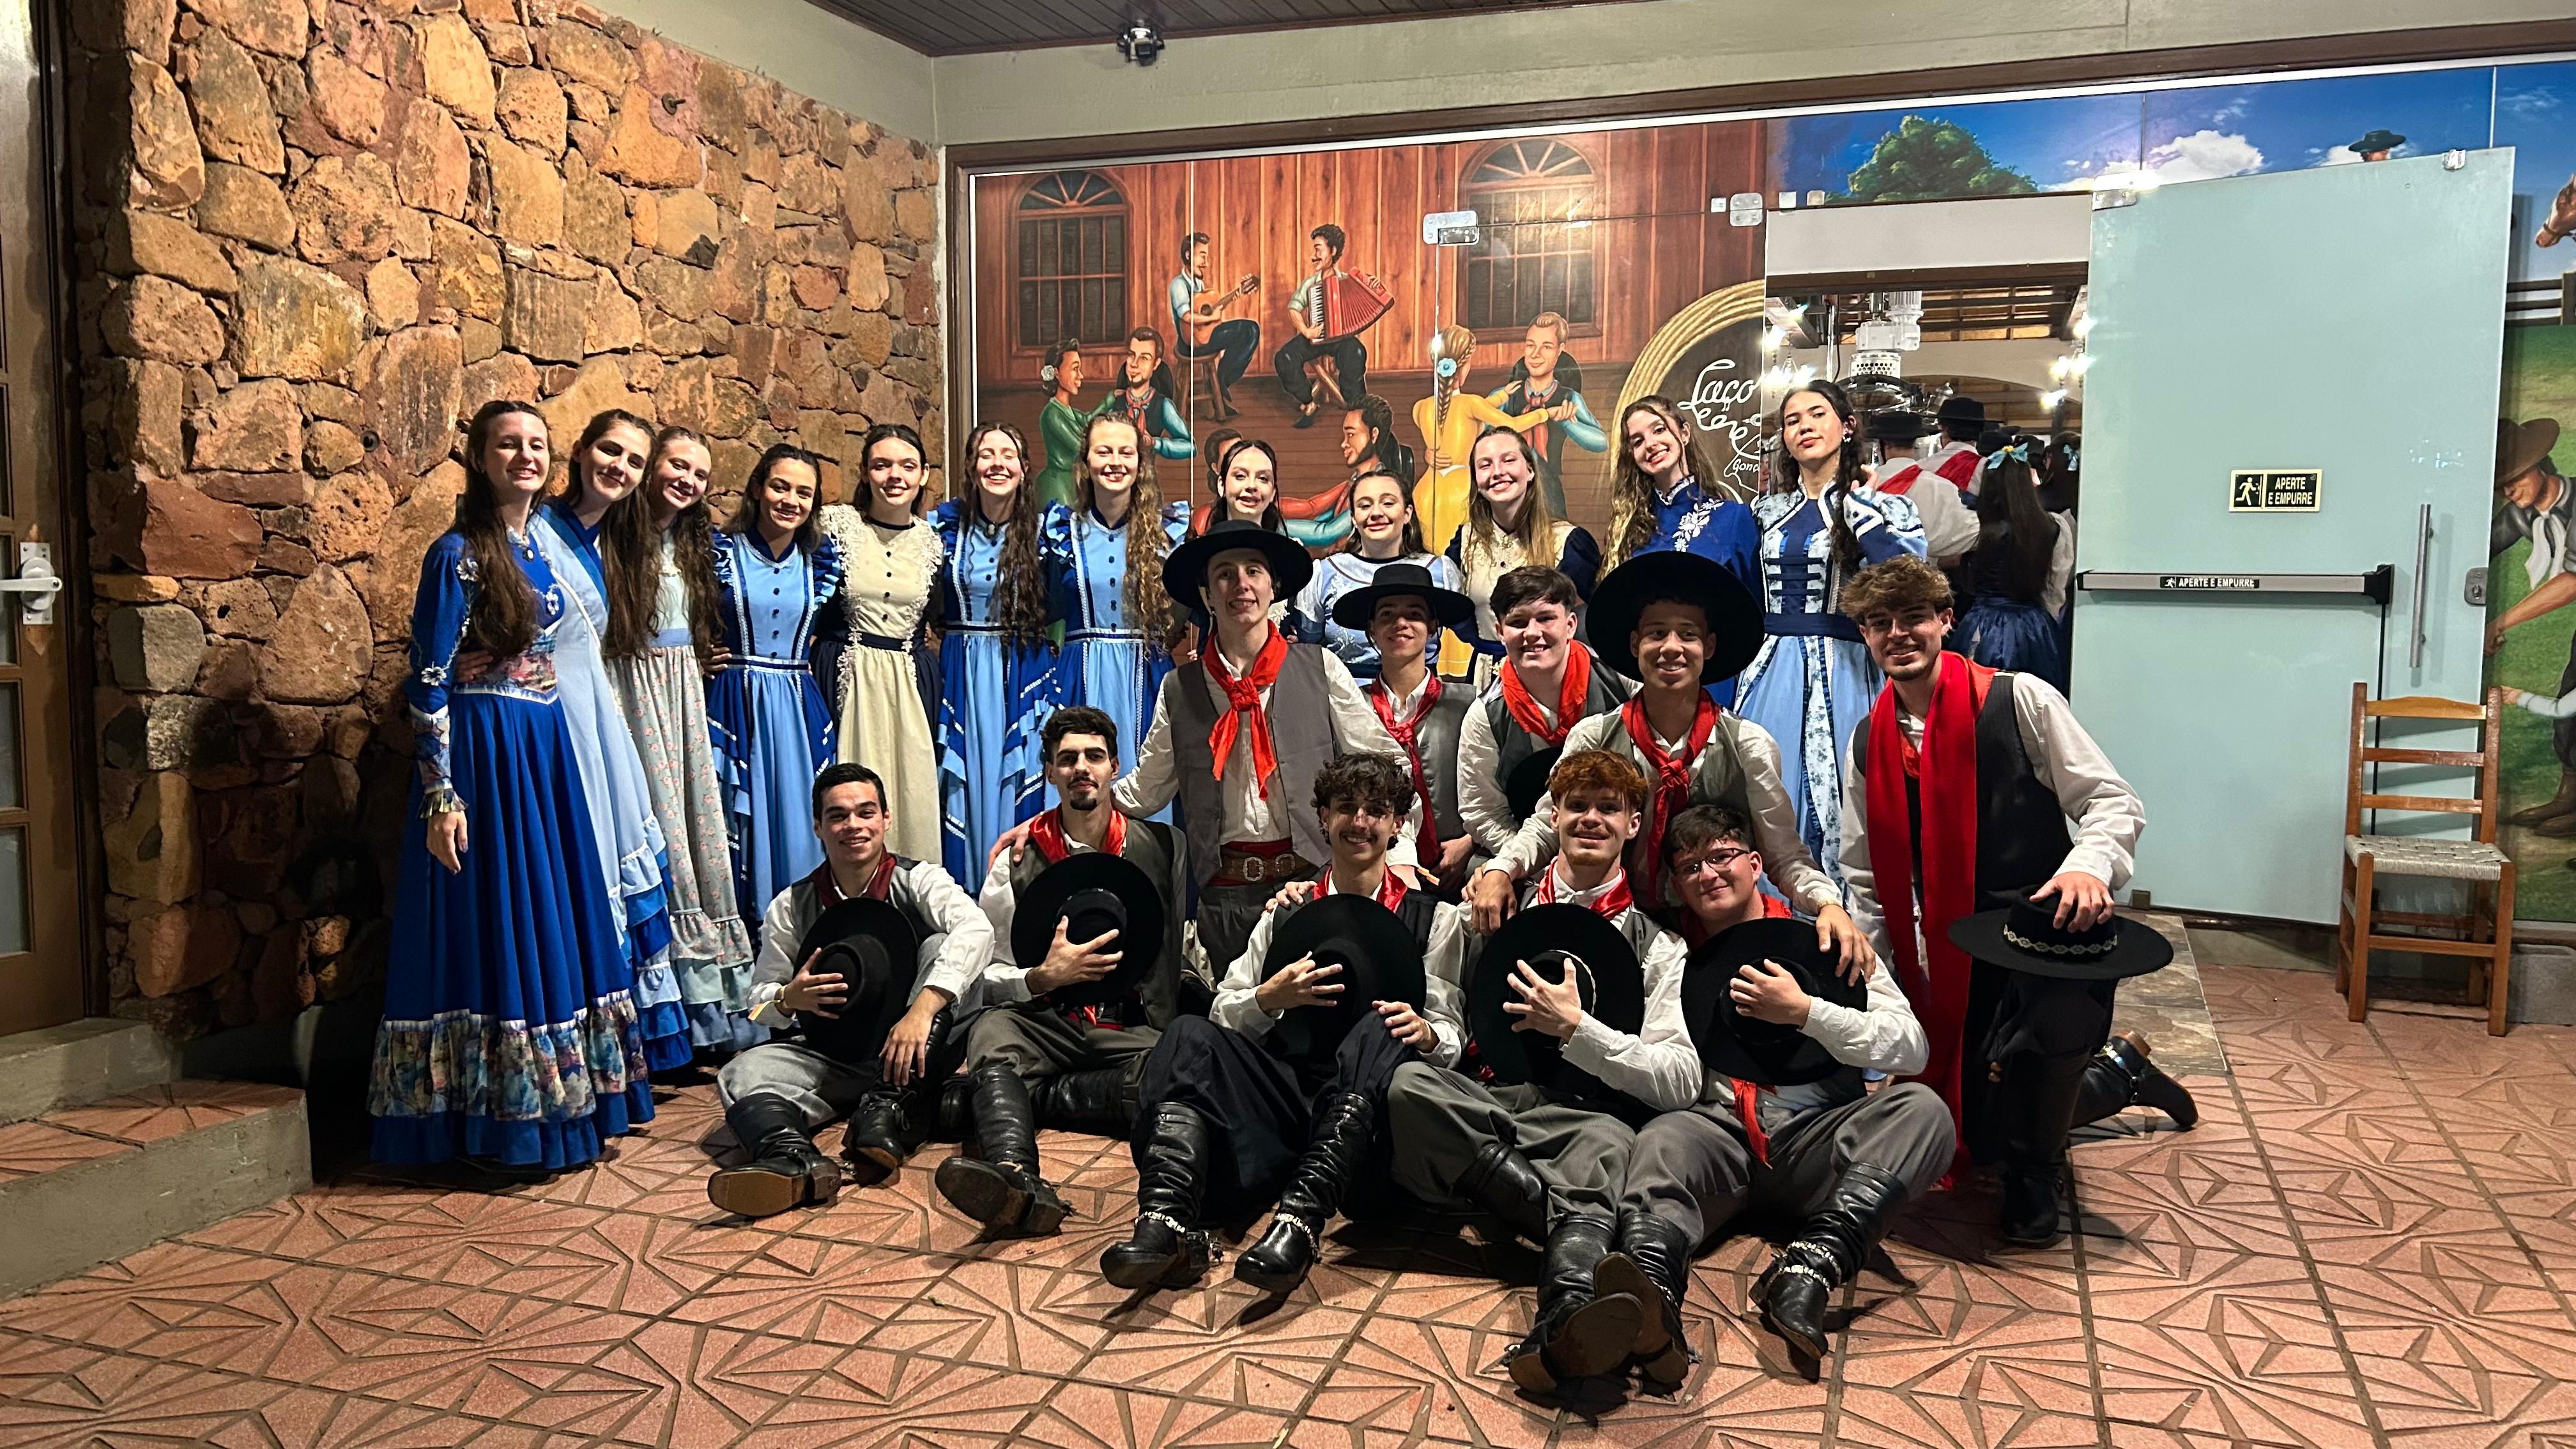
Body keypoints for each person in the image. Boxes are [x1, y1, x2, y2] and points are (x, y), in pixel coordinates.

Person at [1837, 556, 2195, 1246]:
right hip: (1946, 951)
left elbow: (2111, 799)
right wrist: (1877, 976)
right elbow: (1864, 872)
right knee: (1972, 1122)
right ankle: (2119, 1075)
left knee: (2046, 1046)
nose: (1898, 634)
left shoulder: (2019, 700)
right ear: (1865, 636)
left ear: (1947, 620)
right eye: (1879, 623)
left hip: (2040, 935)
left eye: (1914, 617)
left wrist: (2088, 867)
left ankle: (2037, 1170)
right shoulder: (1865, 741)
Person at [370, 400, 656, 1170]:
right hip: (489, 757)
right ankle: (499, 1123)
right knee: (499, 923)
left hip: (542, 749)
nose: (526, 456)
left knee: (552, 915)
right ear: (480, 457)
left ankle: (565, 1108)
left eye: (536, 444)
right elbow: (428, 682)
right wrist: (441, 796)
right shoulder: (456, 554)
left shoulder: (534, 547)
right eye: (508, 444)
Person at [1384, 749, 1696, 1392]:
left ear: (1633, 825)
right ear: (1552, 817)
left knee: (1612, 1148)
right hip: (1488, 1099)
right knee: (1408, 1088)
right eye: (1576, 806)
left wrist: (1580, 1031)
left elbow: (1679, 1079)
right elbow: (1445, 1007)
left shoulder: (1659, 946)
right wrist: (1437, 1039)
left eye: (1609, 808)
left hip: (1584, 1118)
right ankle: (1574, 1236)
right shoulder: (1491, 908)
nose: (1591, 819)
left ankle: (1563, 1313)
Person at [1601, 802, 1949, 1379]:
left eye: (1723, 857)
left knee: (1923, 1112)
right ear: (1677, 886)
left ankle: (1809, 1270)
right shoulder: (1672, 952)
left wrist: (1808, 1013)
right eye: (1690, 867)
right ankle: (1650, 1297)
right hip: (1719, 1140)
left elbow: (1911, 1048)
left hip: (1817, 1139)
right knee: (1662, 1139)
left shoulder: (1828, 940)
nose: (1709, 874)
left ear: (1757, 863)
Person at [1020, 519, 1427, 976]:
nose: (1241, 585)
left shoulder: (1321, 667)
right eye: (1225, 574)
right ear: (1207, 595)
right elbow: (1145, 792)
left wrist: (1400, 856)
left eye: (1254, 571)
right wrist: (1051, 824)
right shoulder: (1180, 689)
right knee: (1234, 1013)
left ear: (1274, 588)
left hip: (1311, 888)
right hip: (1226, 899)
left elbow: (1386, 767)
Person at [1475, 549, 1864, 972]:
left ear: (1709, 647)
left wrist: (1828, 903)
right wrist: (1501, 870)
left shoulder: (1747, 745)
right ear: (1635, 644)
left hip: (1715, 930)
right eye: (1657, 633)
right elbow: (1547, 825)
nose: (1672, 648)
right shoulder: (1595, 737)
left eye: (1688, 634)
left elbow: (1783, 854)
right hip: (1619, 927)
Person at [939, 707, 1193, 1236]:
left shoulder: (1166, 846)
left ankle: (1041, 1098)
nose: (1082, 768)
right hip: (1050, 1023)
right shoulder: (1016, 861)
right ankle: (1015, 1178)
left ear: (1115, 767)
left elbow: (1174, 944)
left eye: (1094, 757)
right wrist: (1041, 978)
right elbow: (987, 975)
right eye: (1068, 758)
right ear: (1050, 772)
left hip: (1133, 1027)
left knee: (1184, 1066)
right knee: (991, 1032)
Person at [707, 763, 995, 1217]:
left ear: (886, 819)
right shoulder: (791, 906)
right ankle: (794, 1161)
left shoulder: (919, 880)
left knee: (944, 946)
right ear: (819, 827)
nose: (853, 826)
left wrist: (921, 1011)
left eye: (866, 812)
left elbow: (979, 930)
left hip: (919, 1050)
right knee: (739, 1074)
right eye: (838, 816)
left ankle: (888, 1106)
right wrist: (786, 999)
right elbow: (756, 1008)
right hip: (837, 1055)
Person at [532, 410, 691, 1073]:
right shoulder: (535, 529)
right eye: (609, 451)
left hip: (596, 710)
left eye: (632, 460)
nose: (618, 467)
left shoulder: (611, 542)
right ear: (580, 451)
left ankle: (616, 1041)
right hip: (547, 715)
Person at [601, 424, 762, 1055]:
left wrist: (697, 656)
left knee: (698, 836)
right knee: (655, 833)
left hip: (683, 696)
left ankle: (709, 1012)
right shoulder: (611, 536)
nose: (687, 480)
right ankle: (657, 1017)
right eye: (677, 465)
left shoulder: (694, 545)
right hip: (628, 690)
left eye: (699, 473)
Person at [1737, 380, 1926, 882]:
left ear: (1847, 426)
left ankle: (1848, 911)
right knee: (1768, 786)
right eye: (1792, 420)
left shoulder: (1885, 508)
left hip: (1847, 668)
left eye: (1817, 414)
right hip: (1771, 668)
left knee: (1848, 791)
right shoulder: (1764, 513)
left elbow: (1911, 586)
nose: (1804, 427)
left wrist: (1866, 520)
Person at [709, 443, 846, 934]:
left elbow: (838, 629)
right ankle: (744, 937)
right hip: (736, 700)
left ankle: (799, 933)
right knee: (736, 816)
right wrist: (701, 655)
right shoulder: (720, 553)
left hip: (796, 703)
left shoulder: (821, 562)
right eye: (780, 487)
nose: (791, 500)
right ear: (757, 489)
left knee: (798, 815)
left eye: (803, 493)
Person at [930, 422, 1058, 887]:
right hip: (963, 669)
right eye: (987, 454)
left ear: (1024, 470)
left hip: (1021, 667)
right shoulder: (944, 530)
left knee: (1022, 776)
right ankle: (966, 894)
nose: (998, 464)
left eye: (1009, 455)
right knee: (962, 780)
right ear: (971, 466)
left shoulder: (1046, 534)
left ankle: (1019, 895)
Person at [1045, 413, 1190, 786]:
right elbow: (1044, 606)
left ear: (1140, 463)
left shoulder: (1166, 532)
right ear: (1086, 462)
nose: (1115, 462)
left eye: (1126, 452)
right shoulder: (1062, 531)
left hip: (1145, 675)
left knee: (1149, 777)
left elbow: (1184, 610)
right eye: (1104, 451)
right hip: (1079, 675)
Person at [822, 423, 942, 864]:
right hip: (848, 675)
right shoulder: (835, 527)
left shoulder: (933, 543)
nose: (895, 475)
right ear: (865, 472)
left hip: (907, 683)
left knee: (910, 791)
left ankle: (906, 891)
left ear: (923, 475)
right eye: (882, 465)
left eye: (908, 466)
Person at [1456, 565, 1632, 856]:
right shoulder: (1485, 716)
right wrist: (1529, 861)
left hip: (1621, 851)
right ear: (1500, 632)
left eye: (1546, 618)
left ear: (1571, 624)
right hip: (1526, 858)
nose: (1532, 633)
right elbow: (1483, 812)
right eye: (1518, 622)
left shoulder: (1622, 683)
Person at [1601, 395, 1760, 706]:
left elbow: (1753, 614)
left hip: (1715, 680)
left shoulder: (1733, 519)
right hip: (1648, 680)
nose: (1650, 444)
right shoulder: (1627, 529)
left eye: (1659, 429)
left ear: (1684, 433)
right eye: (1637, 441)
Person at [1336, 564, 1479, 894]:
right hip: (1377, 874)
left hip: (1463, 870)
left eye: (1414, 614)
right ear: (1372, 629)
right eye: (1387, 614)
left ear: (1432, 626)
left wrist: (1470, 842)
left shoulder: (1470, 703)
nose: (1400, 623)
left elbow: (1493, 791)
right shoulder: (1350, 709)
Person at [1447, 425, 1600, 676]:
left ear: (1530, 470)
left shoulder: (1567, 542)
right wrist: (1481, 640)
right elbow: (1454, 612)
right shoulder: (1464, 541)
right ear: (1476, 480)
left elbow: (1589, 622)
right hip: (1484, 676)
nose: (1498, 472)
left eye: (1508, 460)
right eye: (1485, 465)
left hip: (1549, 676)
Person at [2487, 417, 2576, 830]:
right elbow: (2479, 547)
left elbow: (2571, 583)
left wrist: (2498, 623)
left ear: (2540, 464)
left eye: (2515, 477)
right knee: (2569, 699)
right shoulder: (2520, 516)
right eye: (2501, 484)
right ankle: (2569, 798)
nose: (2508, 490)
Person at [1294, 469, 1462, 678]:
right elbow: (1307, 647)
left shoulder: (1439, 570)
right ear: (1353, 518)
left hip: (1420, 693)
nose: (1376, 513)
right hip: (1344, 693)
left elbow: (1472, 633)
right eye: (1365, 506)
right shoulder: (1324, 573)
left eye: (1388, 503)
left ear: (1407, 513)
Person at [1413, 326, 1552, 555]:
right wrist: (1544, 414)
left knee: (1433, 560)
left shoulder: (1421, 408)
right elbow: (1513, 425)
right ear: (1463, 366)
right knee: (1459, 559)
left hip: (1427, 490)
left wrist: (1503, 395)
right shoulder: (1471, 404)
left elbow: (1460, 415)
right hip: (1460, 490)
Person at [1954, 443, 2074, 694]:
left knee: (1977, 695)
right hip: (2033, 627)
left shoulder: (1975, 529)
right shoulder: (2053, 527)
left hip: (1981, 625)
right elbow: (2056, 590)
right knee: (2033, 699)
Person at [1489, 312, 1607, 522]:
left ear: (1560, 350)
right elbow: (1475, 431)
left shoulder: (1569, 398)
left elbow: (1601, 443)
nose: (1536, 354)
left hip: (1548, 489)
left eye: (1547, 347)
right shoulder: (1506, 395)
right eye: (1530, 345)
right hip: (1507, 486)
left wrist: (1568, 424)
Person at [1276, 223, 1376, 429]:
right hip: (1317, 337)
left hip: (1342, 339)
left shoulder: (1349, 281)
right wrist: (1306, 331)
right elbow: (1293, 308)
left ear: (1333, 251)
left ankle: (1356, 408)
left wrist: (1372, 286)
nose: (1314, 256)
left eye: (1318, 250)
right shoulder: (1311, 284)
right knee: (1284, 358)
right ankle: (1309, 402)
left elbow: (1370, 295)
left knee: (1356, 352)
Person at [1865, 408, 1978, 566]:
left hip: (1873, 576)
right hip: (1925, 575)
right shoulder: (1942, 487)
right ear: (1914, 444)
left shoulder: (1865, 488)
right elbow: (1971, 534)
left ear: (1884, 445)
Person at [1170, 231, 1259, 419]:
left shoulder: (1198, 284)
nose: (1206, 263)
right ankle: (1220, 383)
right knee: (1250, 330)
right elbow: (1186, 316)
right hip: (1190, 344)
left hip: (1202, 338)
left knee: (1250, 330)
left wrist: (1232, 297)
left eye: (1207, 257)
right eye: (1202, 256)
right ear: (1188, 255)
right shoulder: (1178, 285)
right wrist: (1212, 317)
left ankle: (1220, 382)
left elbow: (1206, 311)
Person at [1099, 326, 1193, 461]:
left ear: (1156, 364)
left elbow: (1190, 447)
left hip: (1147, 471)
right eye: (1132, 355)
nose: (1134, 364)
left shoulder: (1163, 405)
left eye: (1144, 358)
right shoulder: (1115, 401)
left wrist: (1155, 443)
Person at [1032, 339, 1094, 512]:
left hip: (1073, 480)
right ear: (1057, 373)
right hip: (1057, 483)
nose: (1080, 375)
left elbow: (1089, 419)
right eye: (1075, 369)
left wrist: (1111, 399)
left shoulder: (1070, 412)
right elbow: (1079, 447)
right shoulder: (1052, 414)